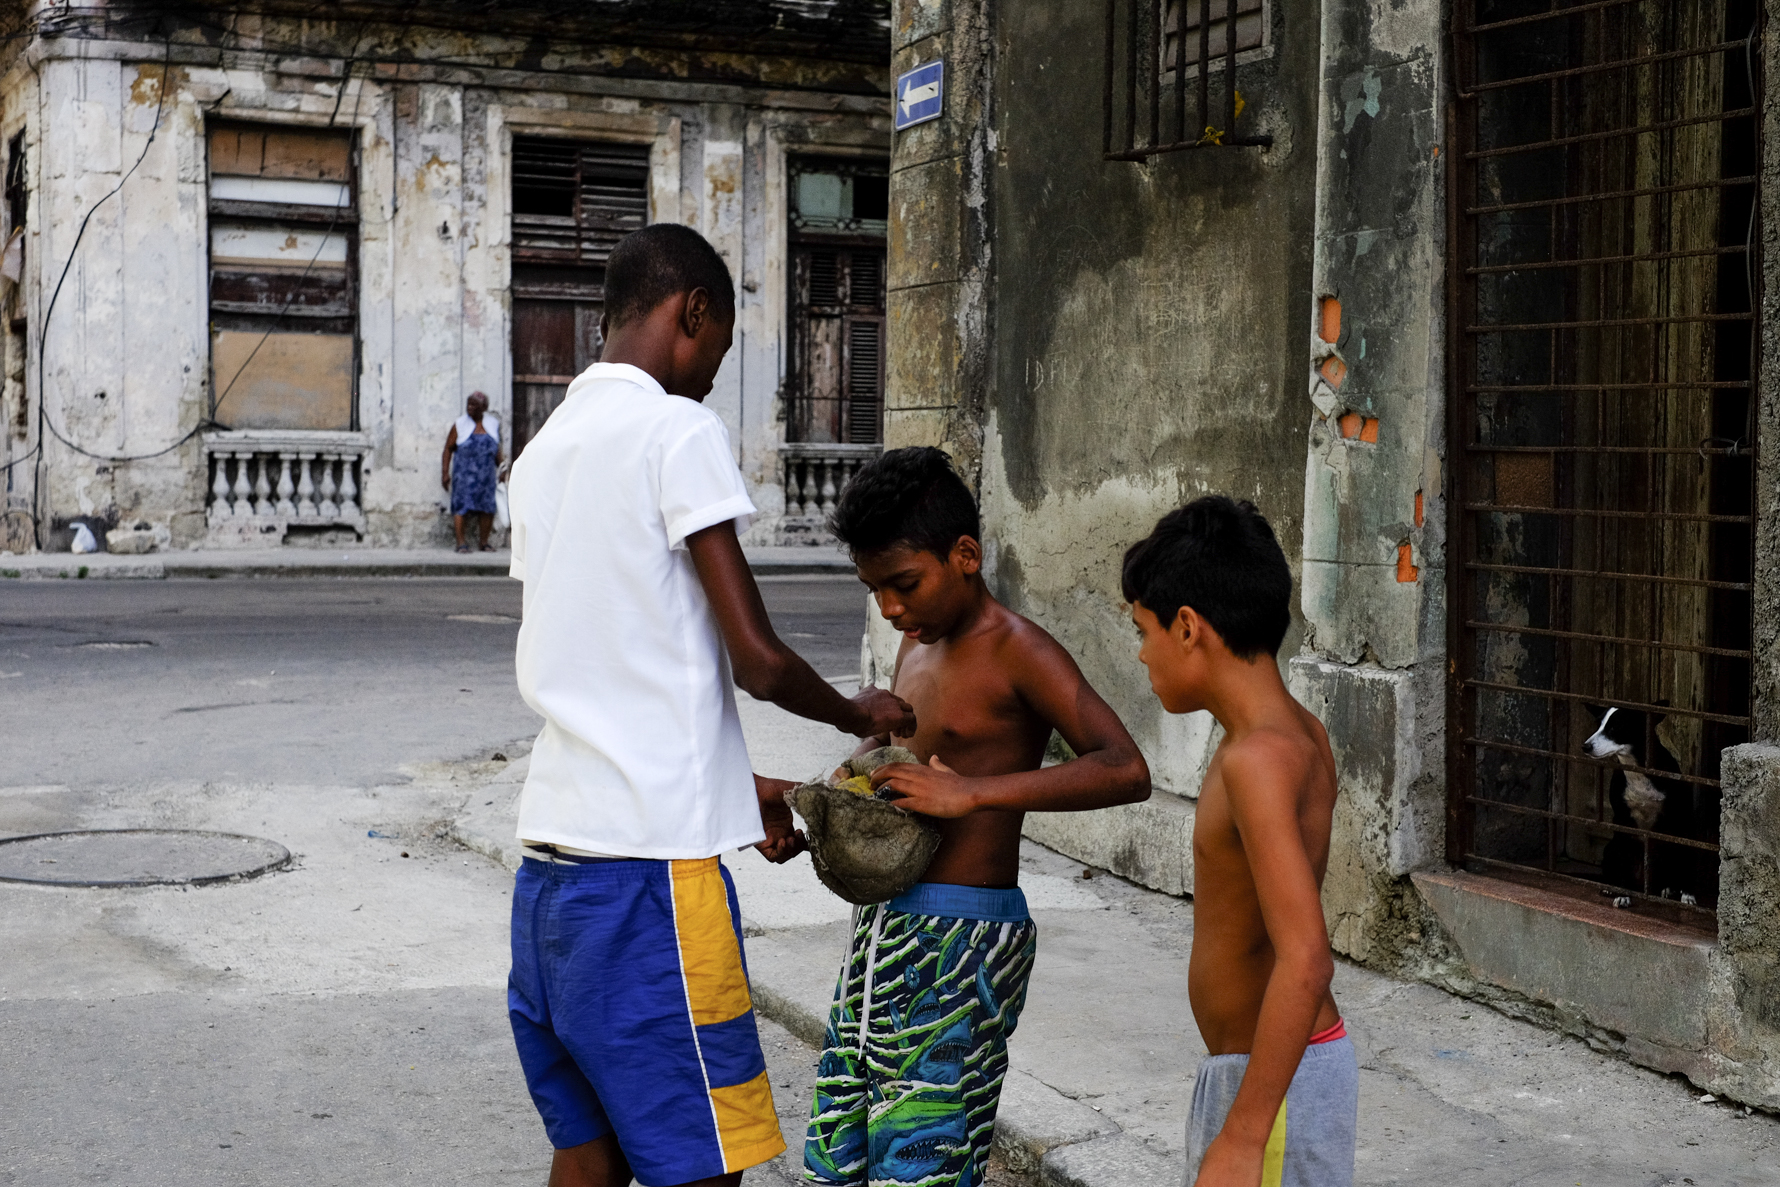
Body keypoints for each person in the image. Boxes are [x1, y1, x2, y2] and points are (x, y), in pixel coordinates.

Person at [503, 223, 917, 1187]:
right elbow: (759, 660)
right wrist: (863, 714)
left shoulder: (544, 452)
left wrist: (741, 789)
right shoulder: (673, 429)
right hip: (650, 892)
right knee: (707, 1161)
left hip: (551, 883)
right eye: (719, 352)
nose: (710, 379)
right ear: (693, 312)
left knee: (588, 1147)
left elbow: (618, 665)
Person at [804, 446, 1152, 1187]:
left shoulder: (1019, 650)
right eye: (876, 591)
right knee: (839, 1153)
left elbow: (1124, 766)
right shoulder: (912, 642)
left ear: (965, 554)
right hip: (884, 934)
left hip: (965, 939)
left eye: (904, 584)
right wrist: (851, 771)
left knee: (922, 1159)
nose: (892, 608)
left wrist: (977, 793)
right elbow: (904, 744)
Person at [1120, 496, 1355, 1187]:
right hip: (1274, 1072)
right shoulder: (1293, 732)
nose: (1141, 654)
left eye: (1144, 630)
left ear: (1188, 627)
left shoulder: (1258, 758)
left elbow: (1307, 958)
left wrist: (1246, 1133)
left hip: (1271, 1087)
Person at [442, 390, 503, 553]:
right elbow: (448, 449)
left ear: (483, 408)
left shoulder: (492, 424)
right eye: (468, 404)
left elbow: (497, 450)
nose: (470, 407)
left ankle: (484, 542)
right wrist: (445, 473)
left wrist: (502, 468)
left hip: (486, 476)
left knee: (487, 508)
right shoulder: (460, 425)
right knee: (461, 506)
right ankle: (461, 543)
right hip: (464, 476)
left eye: (474, 405)